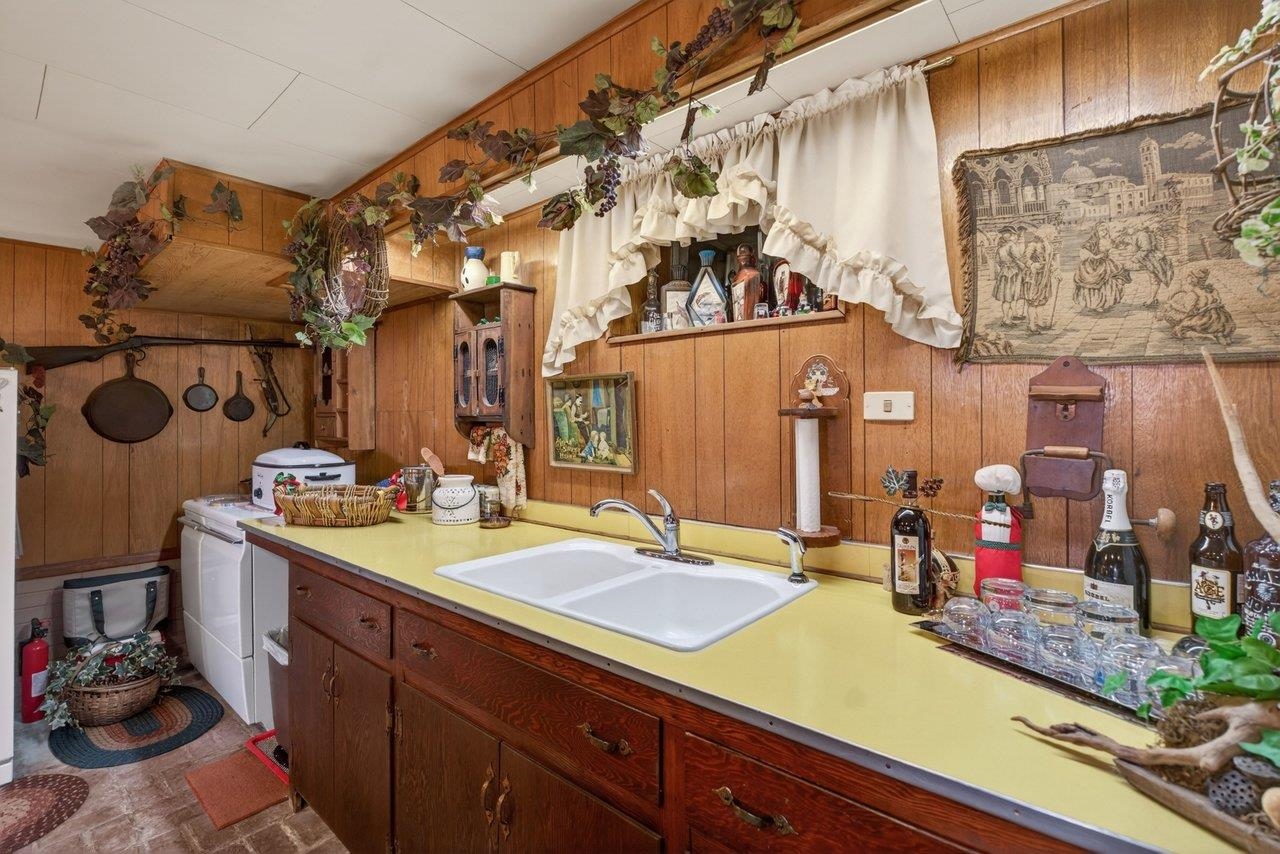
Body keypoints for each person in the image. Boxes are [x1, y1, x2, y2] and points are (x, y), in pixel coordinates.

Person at [1158, 269, 1236, 345]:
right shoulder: (1212, 289)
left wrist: (1172, 303)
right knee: (1222, 324)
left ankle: (1208, 336)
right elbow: (1219, 301)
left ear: (1194, 280)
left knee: (1179, 330)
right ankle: (1222, 334)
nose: (1188, 278)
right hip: (1222, 318)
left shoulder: (1193, 293)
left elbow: (1186, 310)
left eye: (1190, 276)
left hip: (1204, 319)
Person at [1073, 222, 1130, 312]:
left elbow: (1116, 247)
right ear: (1096, 231)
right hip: (1092, 265)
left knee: (1112, 280)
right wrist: (1094, 257)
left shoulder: (1109, 240)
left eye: (1105, 230)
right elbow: (1083, 253)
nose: (1104, 232)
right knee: (1094, 283)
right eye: (1101, 230)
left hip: (1105, 263)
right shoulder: (1092, 242)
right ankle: (1096, 304)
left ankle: (1107, 302)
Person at [1127, 222, 1175, 306]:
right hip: (1150, 259)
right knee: (1154, 278)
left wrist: (1135, 258)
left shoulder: (1141, 235)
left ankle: (1152, 299)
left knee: (1154, 279)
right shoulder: (1138, 234)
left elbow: (1146, 248)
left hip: (1153, 259)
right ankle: (1154, 298)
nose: (1128, 230)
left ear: (1134, 227)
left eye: (1129, 227)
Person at [1021, 230, 1054, 333]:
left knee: (1041, 301)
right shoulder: (1033, 244)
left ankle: (1039, 323)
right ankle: (1031, 325)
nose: (1051, 236)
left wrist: (1055, 271)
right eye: (1049, 234)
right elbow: (1025, 258)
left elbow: (1049, 260)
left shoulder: (1047, 245)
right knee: (1032, 301)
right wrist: (1032, 265)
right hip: (1033, 277)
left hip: (1043, 276)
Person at [993, 227, 1025, 325]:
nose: (1009, 235)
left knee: (1007, 297)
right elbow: (1018, 258)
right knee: (1009, 296)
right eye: (1007, 233)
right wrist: (1024, 267)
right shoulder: (1011, 245)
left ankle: (1010, 316)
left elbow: (998, 262)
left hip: (1003, 273)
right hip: (1013, 273)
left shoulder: (1000, 247)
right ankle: (1006, 319)